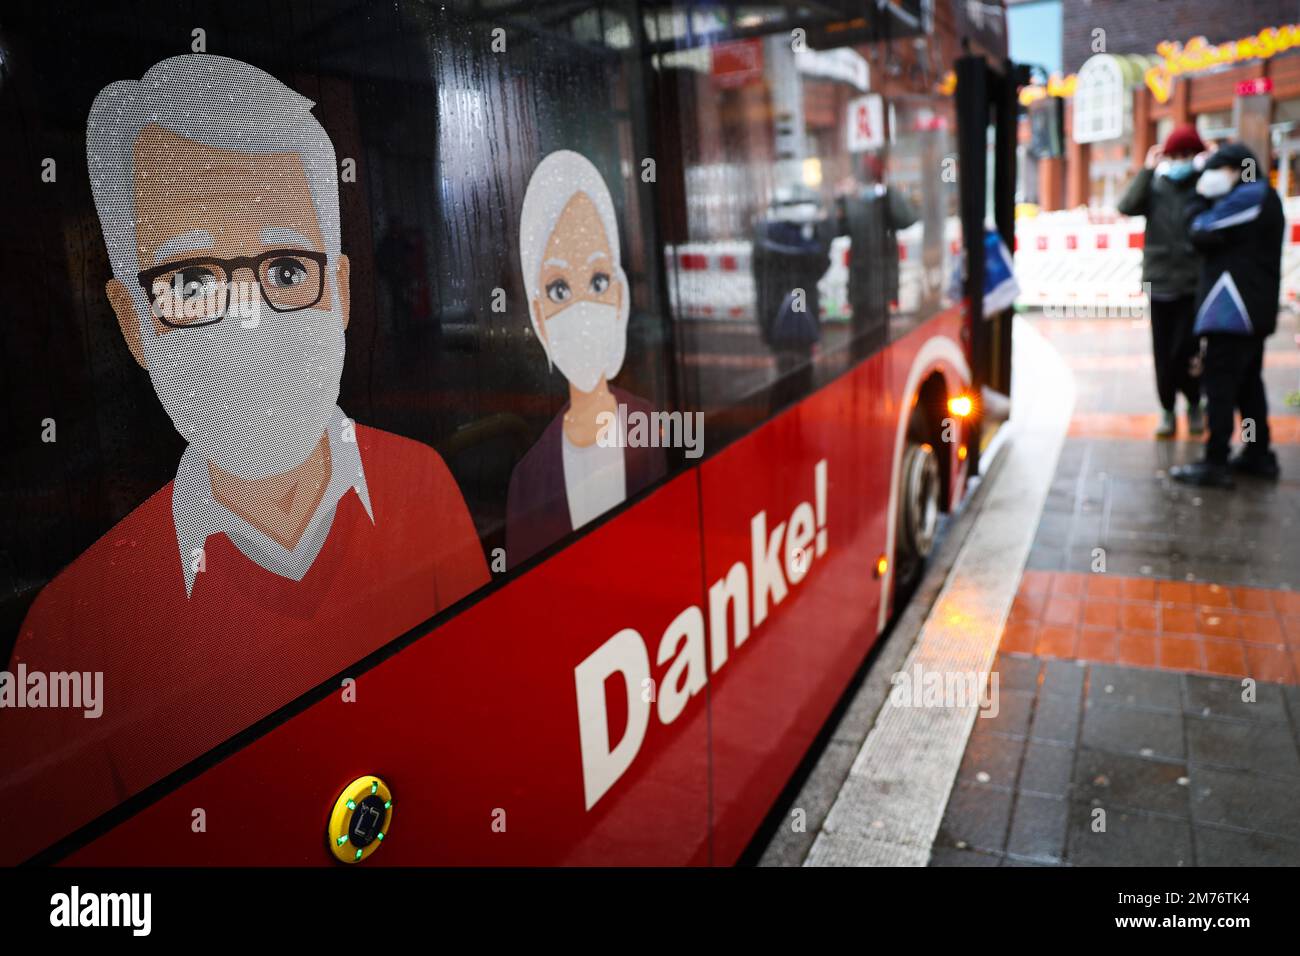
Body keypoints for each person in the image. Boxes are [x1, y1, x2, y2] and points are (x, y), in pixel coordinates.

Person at [0, 54, 490, 865]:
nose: (249, 325)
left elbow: (485, 733)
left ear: (337, 292)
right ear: (133, 326)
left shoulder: (422, 488)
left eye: (285, 270)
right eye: (192, 283)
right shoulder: (70, 634)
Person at [506, 150, 666, 567]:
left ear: (619, 296)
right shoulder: (528, 478)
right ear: (539, 315)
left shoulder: (652, 427)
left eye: (597, 280)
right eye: (560, 289)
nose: (582, 308)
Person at [1171, 142, 1283, 488]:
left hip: (1233, 310)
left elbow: (1200, 229)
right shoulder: (1258, 196)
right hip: (1246, 310)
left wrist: (1198, 198)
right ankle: (1256, 451)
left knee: (1220, 385)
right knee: (1248, 386)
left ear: (1237, 170)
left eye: (1216, 171)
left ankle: (1215, 459)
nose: (1211, 178)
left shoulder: (1252, 194)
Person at [1117, 124, 1206, 438]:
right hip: (1159, 283)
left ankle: (1195, 403)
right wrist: (1146, 169)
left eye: (1188, 153)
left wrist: (1211, 165)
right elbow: (1126, 206)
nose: (1182, 159)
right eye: (1177, 154)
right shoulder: (1155, 185)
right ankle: (1168, 410)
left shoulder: (1204, 184)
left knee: (1188, 351)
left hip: (1193, 284)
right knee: (1163, 353)